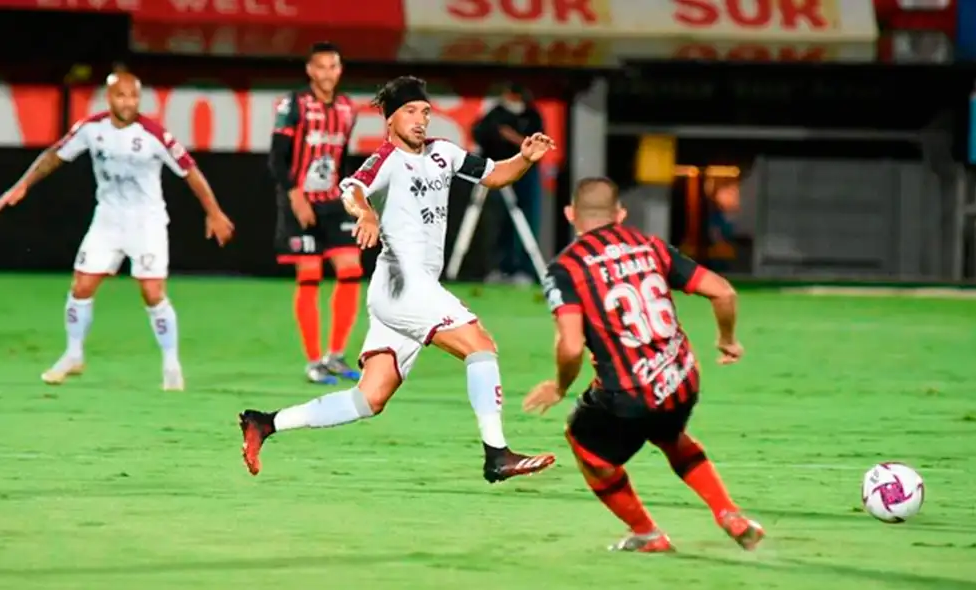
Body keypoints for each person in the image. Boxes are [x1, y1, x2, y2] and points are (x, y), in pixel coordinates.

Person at [240, 76, 557, 484]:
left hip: (399, 293)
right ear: (390, 120)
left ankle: (265, 422)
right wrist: (367, 214)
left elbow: (495, 174)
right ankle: (497, 453)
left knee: (369, 398)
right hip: (404, 284)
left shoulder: (444, 152)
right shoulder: (386, 159)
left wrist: (525, 158)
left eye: (425, 111)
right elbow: (351, 189)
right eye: (410, 111)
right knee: (481, 345)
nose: (420, 119)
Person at [523, 177, 764, 552]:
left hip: (629, 393)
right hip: (682, 378)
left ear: (571, 215)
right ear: (620, 214)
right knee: (670, 435)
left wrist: (559, 386)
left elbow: (570, 346)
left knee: (584, 443)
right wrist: (727, 340)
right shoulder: (650, 246)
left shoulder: (566, 269)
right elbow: (723, 291)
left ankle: (648, 534)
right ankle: (729, 514)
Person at [0, 69, 234, 390]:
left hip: (147, 222)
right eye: (121, 96)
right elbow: (54, 155)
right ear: (109, 98)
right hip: (108, 220)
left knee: (152, 292)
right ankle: (73, 354)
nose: (128, 102)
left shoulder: (153, 134)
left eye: (133, 96)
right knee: (81, 286)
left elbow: (189, 171)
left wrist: (214, 212)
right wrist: (22, 185)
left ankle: (171, 364)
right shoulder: (91, 129)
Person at [270, 42, 362, 385]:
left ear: (339, 71)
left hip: (332, 201)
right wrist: (295, 197)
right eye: (320, 67)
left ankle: (335, 355)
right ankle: (313, 361)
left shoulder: (347, 109)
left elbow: (341, 158)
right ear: (310, 71)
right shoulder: (293, 105)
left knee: (350, 268)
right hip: (299, 201)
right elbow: (277, 156)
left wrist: (351, 196)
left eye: (333, 67)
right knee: (309, 274)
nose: (327, 73)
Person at [472, 83, 544, 286]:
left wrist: (514, 138)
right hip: (497, 171)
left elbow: (536, 145)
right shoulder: (496, 113)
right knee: (496, 221)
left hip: (525, 174)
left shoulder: (531, 115)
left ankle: (523, 269)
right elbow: (480, 133)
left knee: (525, 221)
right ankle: (497, 268)